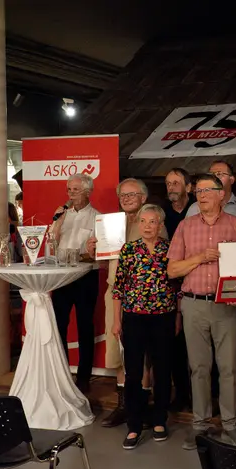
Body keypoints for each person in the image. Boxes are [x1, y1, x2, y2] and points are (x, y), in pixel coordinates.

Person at [167, 173, 236, 450]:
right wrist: (201, 257)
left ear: (221, 194)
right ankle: (200, 426)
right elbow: (172, 269)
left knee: (229, 369)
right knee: (199, 368)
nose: (201, 195)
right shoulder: (185, 226)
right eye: (198, 191)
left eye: (207, 190)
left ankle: (231, 425)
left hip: (227, 306)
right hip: (194, 305)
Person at [86, 178, 168, 428]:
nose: (127, 198)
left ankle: (143, 406)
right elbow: (106, 262)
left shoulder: (153, 222)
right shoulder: (112, 223)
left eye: (132, 194)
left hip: (144, 299)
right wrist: (93, 251)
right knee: (117, 352)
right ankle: (124, 406)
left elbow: (161, 261)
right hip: (116, 294)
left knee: (142, 357)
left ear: (144, 197)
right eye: (123, 195)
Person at [112, 204, 180, 449]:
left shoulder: (170, 249)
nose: (147, 226)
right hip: (134, 317)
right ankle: (134, 424)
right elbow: (118, 287)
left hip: (164, 317)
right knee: (133, 372)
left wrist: (178, 317)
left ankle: (159, 420)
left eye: (153, 222)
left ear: (160, 225)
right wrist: (116, 320)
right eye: (143, 221)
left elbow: (177, 287)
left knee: (162, 369)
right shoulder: (129, 249)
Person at [50, 173, 99, 393]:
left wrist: (82, 255)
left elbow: (98, 253)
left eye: (75, 190)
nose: (71, 194)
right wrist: (58, 223)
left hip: (85, 277)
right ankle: (62, 373)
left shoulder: (97, 217)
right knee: (59, 324)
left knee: (84, 326)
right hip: (62, 276)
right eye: (69, 189)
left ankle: (84, 376)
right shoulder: (61, 215)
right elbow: (51, 246)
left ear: (88, 191)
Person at [163, 167, 195, 412]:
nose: (171, 187)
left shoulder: (196, 211)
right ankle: (182, 394)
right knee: (174, 343)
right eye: (168, 183)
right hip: (169, 283)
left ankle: (203, 395)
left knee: (196, 344)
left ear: (188, 187)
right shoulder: (162, 213)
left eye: (176, 182)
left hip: (194, 280)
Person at [186, 160, 236, 228]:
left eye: (219, 174)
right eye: (211, 175)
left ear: (231, 180)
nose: (215, 177)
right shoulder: (195, 208)